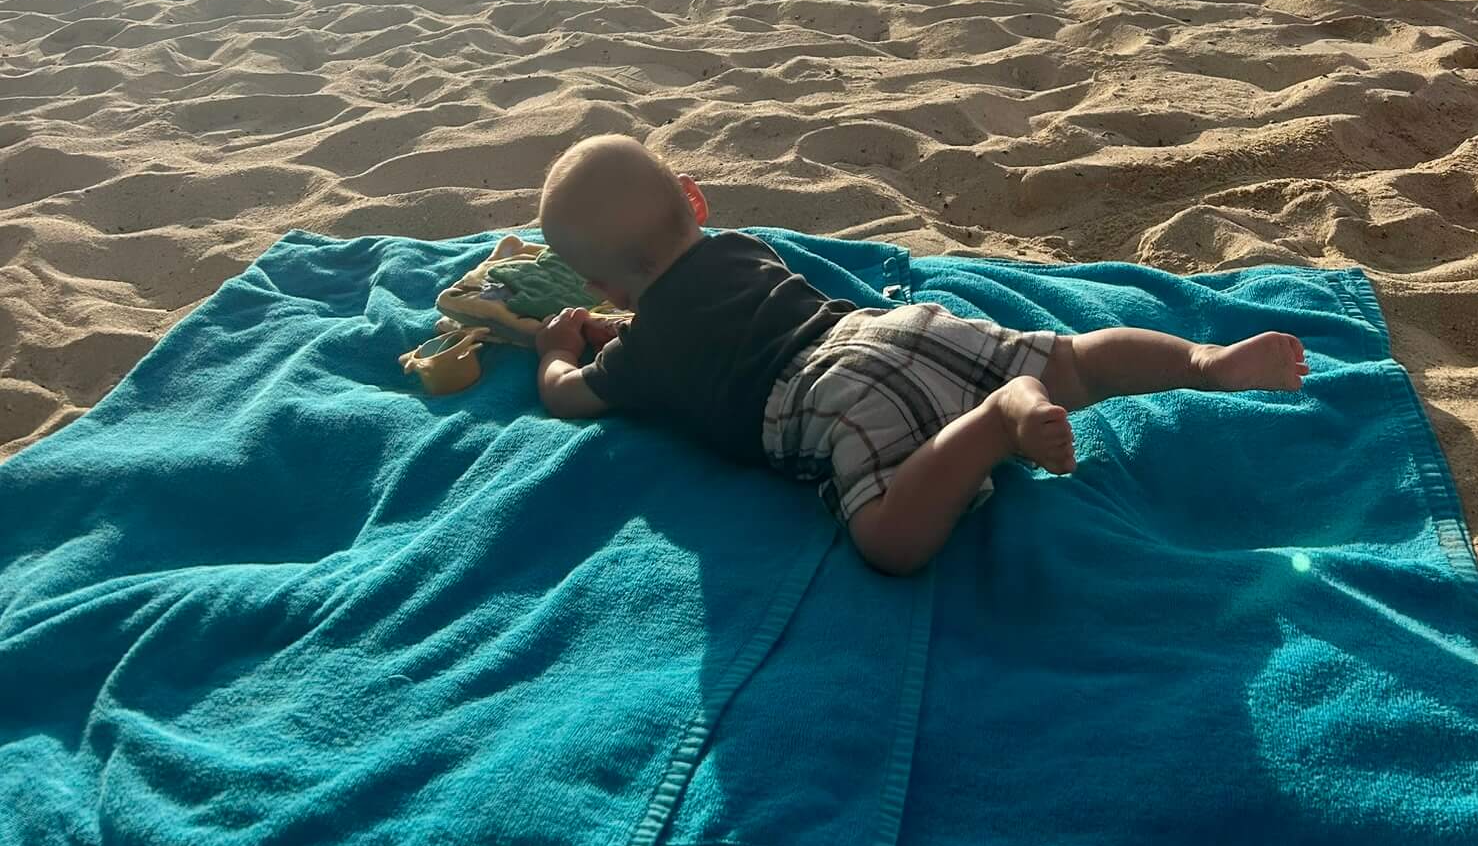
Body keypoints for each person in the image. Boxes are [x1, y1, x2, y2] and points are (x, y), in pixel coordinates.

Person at [533, 135, 1308, 576]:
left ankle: (995, 424)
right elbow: (713, 317)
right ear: (694, 200)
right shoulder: (742, 247)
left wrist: (558, 350)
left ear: (604, 289)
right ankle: (1203, 364)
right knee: (1074, 360)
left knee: (890, 541)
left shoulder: (645, 354)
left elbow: (571, 393)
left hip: (827, 395)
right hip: (896, 329)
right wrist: (630, 332)